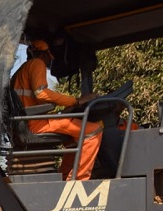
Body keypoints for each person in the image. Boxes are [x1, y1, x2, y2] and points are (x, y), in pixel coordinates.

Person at [11, 39, 102, 181]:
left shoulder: (21, 72)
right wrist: (76, 101)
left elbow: (34, 99)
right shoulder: (37, 64)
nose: (51, 59)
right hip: (34, 123)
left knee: (73, 139)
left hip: (26, 122)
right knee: (94, 130)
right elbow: (41, 93)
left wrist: (66, 108)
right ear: (46, 54)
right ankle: (79, 181)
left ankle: (65, 177)